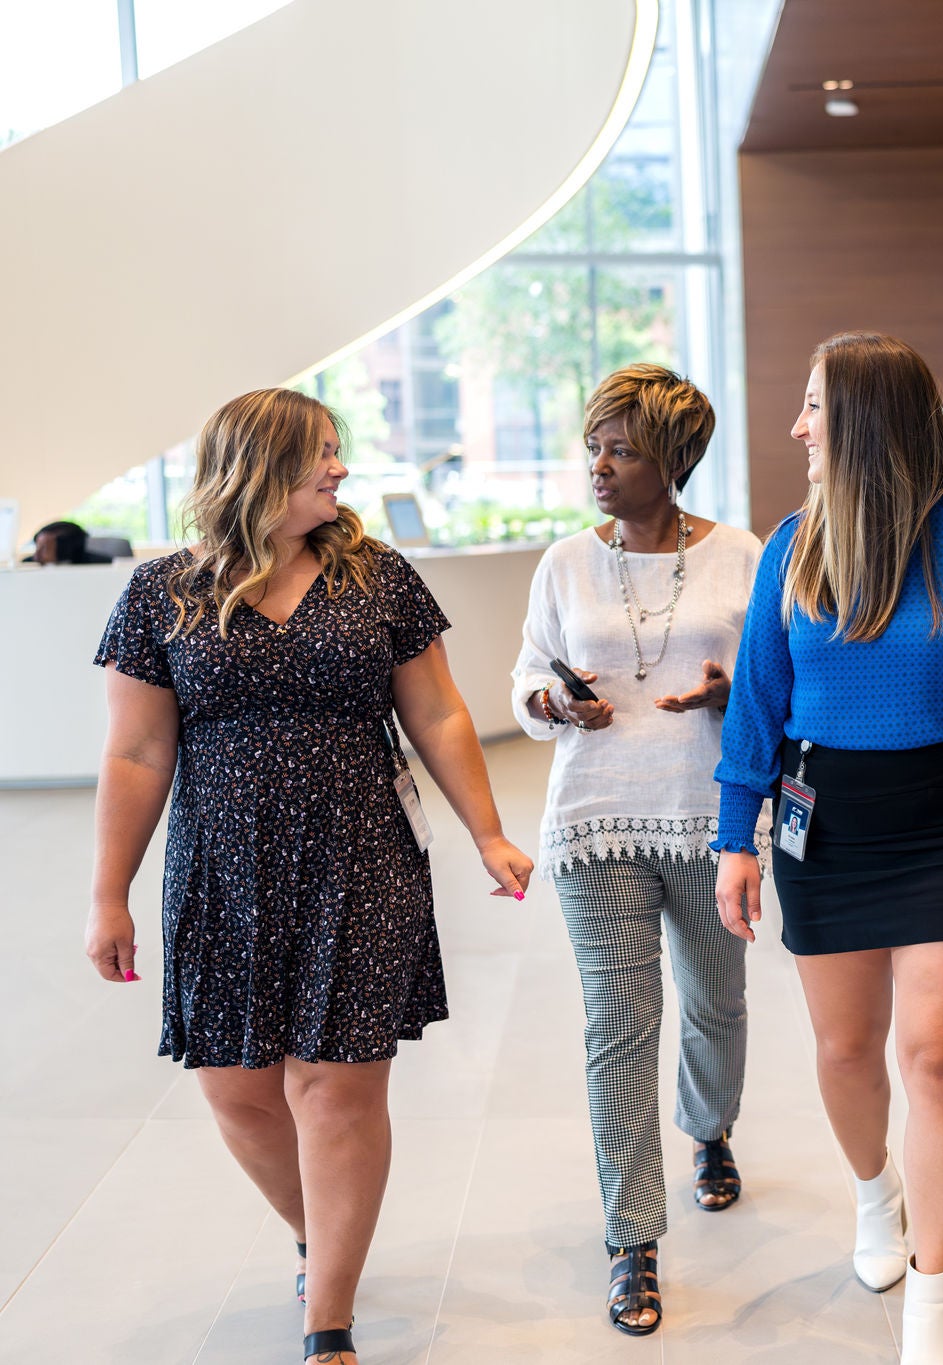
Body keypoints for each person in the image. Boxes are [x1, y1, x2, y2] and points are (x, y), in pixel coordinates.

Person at [84, 388, 534, 1365]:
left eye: (338, 451)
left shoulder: (378, 578)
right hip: (221, 866)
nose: (339, 469)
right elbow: (135, 757)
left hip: (360, 853)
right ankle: (316, 1233)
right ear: (257, 468)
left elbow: (441, 714)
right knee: (238, 1091)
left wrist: (490, 833)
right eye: (320, 454)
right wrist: (108, 893)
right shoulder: (162, 592)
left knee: (333, 1088)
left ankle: (327, 1316)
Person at [713, 332, 943, 1365]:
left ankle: (935, 1290)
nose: (797, 427)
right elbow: (757, 703)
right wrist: (733, 838)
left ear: (870, 420)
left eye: (813, 407)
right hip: (824, 820)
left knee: (935, 1053)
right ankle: (874, 1193)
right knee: (845, 1049)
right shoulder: (793, 543)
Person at [510, 363, 761, 1336]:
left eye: (619, 449)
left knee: (716, 998)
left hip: (712, 817)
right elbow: (529, 672)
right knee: (617, 1027)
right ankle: (631, 1242)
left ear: (673, 457)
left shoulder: (740, 555)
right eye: (592, 448)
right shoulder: (566, 563)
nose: (598, 468)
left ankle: (709, 1129)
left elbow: (775, 681)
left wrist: (729, 691)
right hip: (594, 819)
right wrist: (549, 701)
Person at [29, 519, 112, 564]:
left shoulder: (102, 565)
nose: (36, 556)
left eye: (44, 549)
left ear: (64, 550)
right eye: (37, 546)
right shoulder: (28, 564)